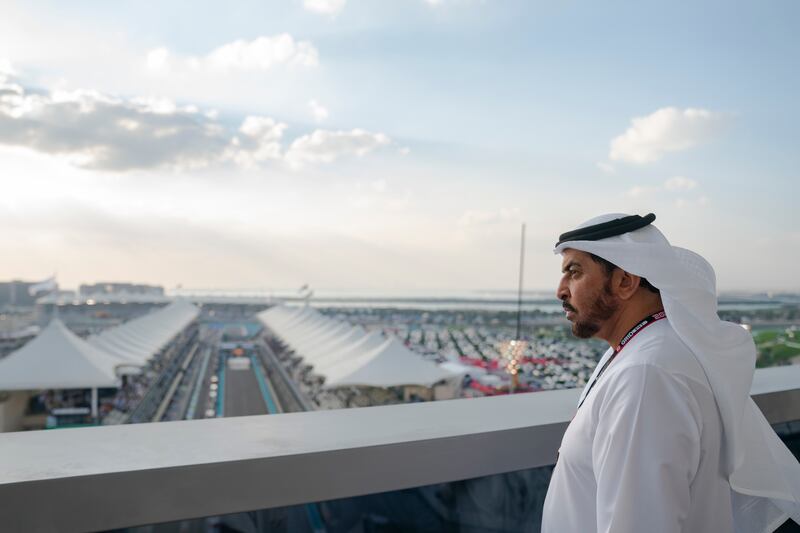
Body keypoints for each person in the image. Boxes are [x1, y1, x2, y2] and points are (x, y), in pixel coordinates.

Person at [541, 213, 800, 533]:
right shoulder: (642, 350)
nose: (560, 290)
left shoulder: (647, 376)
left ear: (625, 281)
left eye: (574, 272)